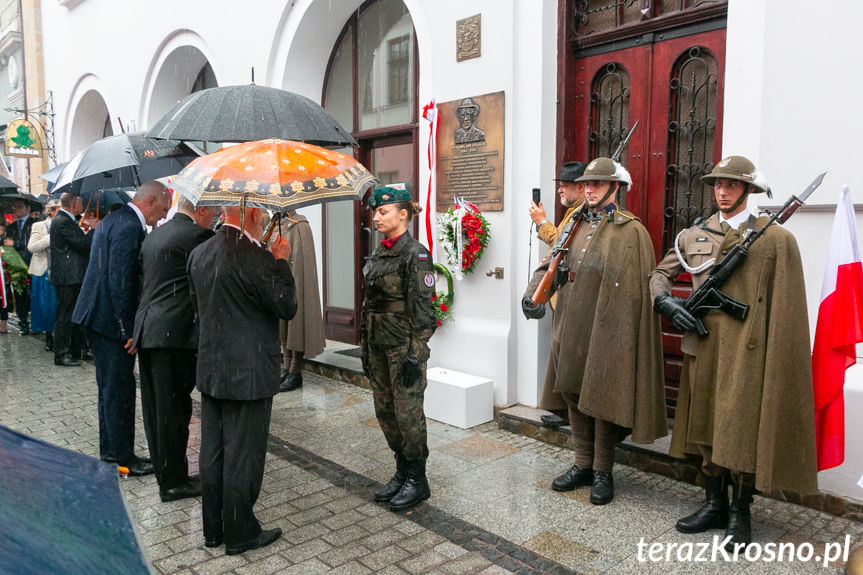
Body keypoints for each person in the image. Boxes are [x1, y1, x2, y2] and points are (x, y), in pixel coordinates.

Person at [649, 155, 816, 550]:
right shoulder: (693, 235)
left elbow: (787, 304)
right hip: (704, 345)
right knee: (704, 427)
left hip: (748, 350)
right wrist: (666, 303)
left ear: (749, 190)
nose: (722, 192)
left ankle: (741, 513)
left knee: (739, 431)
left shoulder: (774, 239)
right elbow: (659, 274)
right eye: (718, 185)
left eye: (732, 185)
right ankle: (713, 504)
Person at [525, 158, 666, 505]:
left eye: (597, 185)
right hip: (570, 320)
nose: (589, 190)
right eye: (586, 185)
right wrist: (532, 294)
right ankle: (582, 465)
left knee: (602, 396)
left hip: (609, 327)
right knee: (572, 390)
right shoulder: (573, 221)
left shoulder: (631, 230)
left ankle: (603, 471)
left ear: (614, 188)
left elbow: (635, 290)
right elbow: (551, 262)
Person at [188, 204, 296, 555]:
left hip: (212, 367)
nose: (264, 218)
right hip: (248, 370)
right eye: (261, 213)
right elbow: (286, 305)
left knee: (213, 449)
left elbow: (199, 307)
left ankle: (213, 529)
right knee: (243, 452)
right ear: (251, 215)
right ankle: (240, 532)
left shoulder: (200, 252)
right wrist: (280, 261)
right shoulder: (256, 256)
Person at [72, 182, 172, 476]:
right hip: (108, 322)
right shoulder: (129, 226)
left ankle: (113, 453)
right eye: (164, 209)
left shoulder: (115, 219)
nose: (163, 217)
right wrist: (128, 329)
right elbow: (120, 281)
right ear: (151, 202)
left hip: (96, 316)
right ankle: (122, 459)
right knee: (119, 391)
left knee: (110, 390)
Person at [133, 197, 218, 502]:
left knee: (156, 408)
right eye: (214, 212)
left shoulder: (155, 234)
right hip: (174, 333)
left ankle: (164, 471)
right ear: (201, 210)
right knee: (173, 410)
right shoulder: (198, 236)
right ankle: (173, 482)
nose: (215, 217)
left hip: (149, 330)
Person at [361, 186, 437, 511]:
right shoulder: (379, 254)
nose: (376, 216)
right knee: (385, 413)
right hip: (378, 345)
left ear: (402, 214)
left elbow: (425, 315)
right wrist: (365, 347)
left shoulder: (415, 254)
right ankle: (401, 470)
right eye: (375, 211)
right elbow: (369, 305)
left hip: (403, 348)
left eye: (383, 211)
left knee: (408, 416)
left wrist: (415, 354)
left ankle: (417, 479)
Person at [524, 161, 587, 429]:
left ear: (582, 188)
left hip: (577, 296)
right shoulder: (573, 211)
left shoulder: (581, 213)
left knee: (571, 359)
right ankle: (562, 410)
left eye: (566, 185)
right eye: (560, 184)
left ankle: (572, 413)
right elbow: (562, 244)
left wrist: (541, 223)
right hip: (563, 293)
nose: (560, 189)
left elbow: (562, 240)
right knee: (561, 358)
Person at [278, 209, 325, 392]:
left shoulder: (300, 225)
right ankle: (286, 366)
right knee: (282, 326)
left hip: (294, 281)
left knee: (296, 324)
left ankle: (295, 371)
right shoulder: (276, 223)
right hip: (280, 282)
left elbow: (302, 263)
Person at [50, 193, 94, 366]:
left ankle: (77, 349)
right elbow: (82, 244)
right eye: (81, 202)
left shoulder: (67, 220)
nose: (82, 205)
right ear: (74, 203)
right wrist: (93, 230)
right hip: (68, 276)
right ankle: (61, 353)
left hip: (72, 275)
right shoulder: (62, 221)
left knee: (74, 314)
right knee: (65, 315)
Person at [27, 199, 60, 351]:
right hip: (43, 270)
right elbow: (32, 247)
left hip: (59, 270)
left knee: (57, 305)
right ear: (51, 211)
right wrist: (48, 238)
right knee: (45, 305)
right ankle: (48, 336)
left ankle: (58, 334)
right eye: (58, 210)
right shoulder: (39, 226)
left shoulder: (64, 225)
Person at [5, 198, 33, 334]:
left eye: (18, 207)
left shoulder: (35, 224)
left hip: (32, 264)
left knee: (33, 295)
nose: (15, 209)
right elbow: (7, 246)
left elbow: (30, 244)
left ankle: (35, 321)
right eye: (14, 207)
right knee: (19, 295)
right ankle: (23, 323)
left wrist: (15, 244)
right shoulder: (11, 227)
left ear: (26, 209)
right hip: (17, 267)